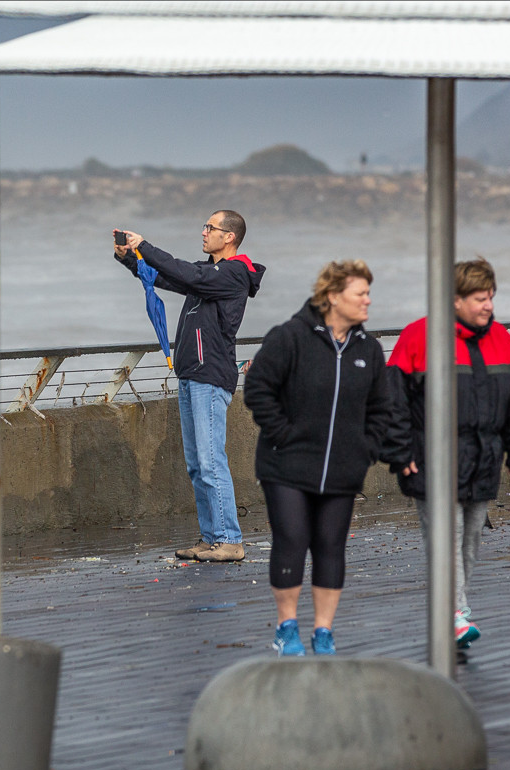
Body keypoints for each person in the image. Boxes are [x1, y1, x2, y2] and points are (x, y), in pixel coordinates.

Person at [242, 259, 406, 656]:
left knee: (331, 546)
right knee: (293, 539)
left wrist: (364, 449)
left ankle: (324, 631)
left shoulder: (368, 349)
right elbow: (258, 389)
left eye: (368, 293)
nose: (368, 301)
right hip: (287, 466)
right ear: (333, 297)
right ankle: (286, 627)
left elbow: (382, 408)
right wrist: (284, 435)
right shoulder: (289, 337)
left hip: (342, 470)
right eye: (360, 293)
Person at [113, 211, 267, 562]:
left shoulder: (234, 272)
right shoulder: (209, 275)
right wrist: (129, 258)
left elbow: (188, 272)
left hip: (210, 375)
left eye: (210, 228)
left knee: (212, 461)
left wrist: (145, 245)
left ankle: (230, 540)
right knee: (198, 464)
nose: (204, 232)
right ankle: (212, 537)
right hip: (191, 374)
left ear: (229, 237)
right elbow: (167, 277)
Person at [386, 257, 510, 649]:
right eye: (480, 298)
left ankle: (453, 611)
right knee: (447, 537)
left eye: (491, 297)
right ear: (456, 300)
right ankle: (455, 614)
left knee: (470, 540)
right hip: (431, 457)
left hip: (482, 460)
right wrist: (400, 451)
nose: (488, 306)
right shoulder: (417, 337)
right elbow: (392, 403)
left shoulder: (504, 342)